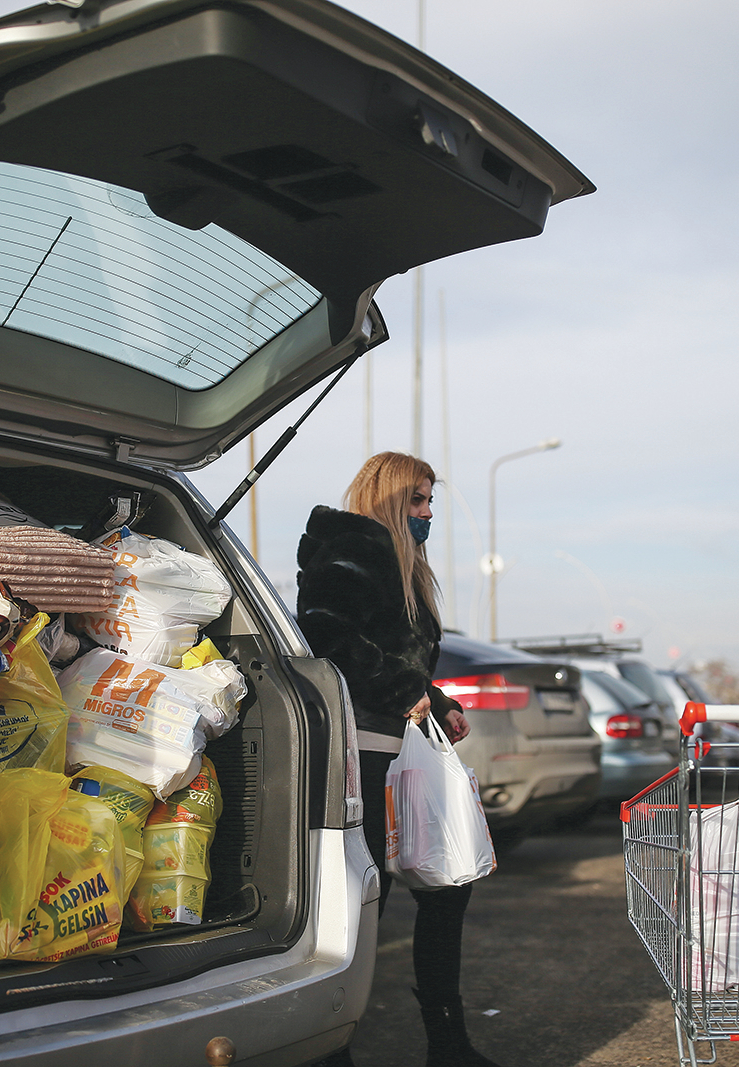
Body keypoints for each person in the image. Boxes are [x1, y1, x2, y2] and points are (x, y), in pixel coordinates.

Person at [296, 452, 502, 1067]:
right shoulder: (350, 548)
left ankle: (449, 1043)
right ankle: (331, 1048)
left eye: (430, 500)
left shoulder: (404, 564)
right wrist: (403, 691)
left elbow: (393, 651)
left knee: (447, 886)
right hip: (361, 753)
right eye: (417, 500)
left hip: (403, 749)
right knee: (366, 900)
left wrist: (436, 699)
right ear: (385, 496)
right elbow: (328, 635)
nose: (428, 512)